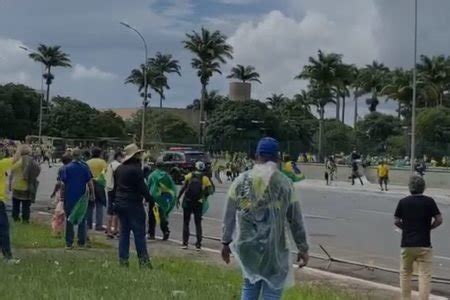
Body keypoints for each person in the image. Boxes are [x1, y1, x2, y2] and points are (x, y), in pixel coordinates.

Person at [221, 137, 309, 300]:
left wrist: (225, 242)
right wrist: (303, 248)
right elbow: (295, 220)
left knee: (249, 286)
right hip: (274, 249)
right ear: (277, 158)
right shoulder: (285, 184)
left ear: (256, 156)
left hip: (248, 248)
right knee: (272, 291)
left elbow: (229, 214)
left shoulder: (241, 181)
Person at [394, 175, 443, 300]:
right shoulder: (429, 201)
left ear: (410, 188)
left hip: (407, 244)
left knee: (405, 273)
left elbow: (396, 220)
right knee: (424, 275)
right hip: (424, 244)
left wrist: (405, 228)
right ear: (424, 188)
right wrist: (429, 227)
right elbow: (439, 219)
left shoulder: (403, 202)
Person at [114, 144, 153, 267]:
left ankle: (123, 261)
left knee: (124, 233)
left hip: (120, 203)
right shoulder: (136, 170)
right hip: (133, 204)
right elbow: (143, 188)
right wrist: (151, 200)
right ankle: (144, 261)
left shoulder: (119, 169)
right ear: (135, 156)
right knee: (139, 233)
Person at [59, 149, 94, 249]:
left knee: (69, 219)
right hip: (81, 197)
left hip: (69, 196)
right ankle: (81, 242)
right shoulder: (84, 168)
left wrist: (61, 197)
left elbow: (62, 184)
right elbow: (90, 183)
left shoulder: (66, 168)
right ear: (81, 156)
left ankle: (69, 243)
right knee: (82, 218)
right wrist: (92, 194)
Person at [177, 161, 213, 250]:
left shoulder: (190, 175)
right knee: (198, 223)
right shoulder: (205, 178)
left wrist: (178, 197)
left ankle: (185, 243)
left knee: (186, 222)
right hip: (198, 202)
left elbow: (184, 187)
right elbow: (209, 191)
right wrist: (203, 197)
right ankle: (198, 244)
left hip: (188, 201)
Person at [11, 145, 41, 224]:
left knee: (15, 203)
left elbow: (11, 172)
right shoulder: (30, 160)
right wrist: (32, 177)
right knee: (26, 204)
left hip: (15, 184)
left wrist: (10, 183)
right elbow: (37, 169)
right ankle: (25, 219)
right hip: (25, 185)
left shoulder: (15, 159)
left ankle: (15, 217)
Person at [147, 162, 176, 241]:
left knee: (152, 216)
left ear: (156, 166)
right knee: (162, 215)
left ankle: (151, 234)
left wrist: (146, 198)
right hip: (163, 198)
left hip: (154, 197)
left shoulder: (152, 175)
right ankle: (165, 230)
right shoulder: (167, 176)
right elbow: (172, 186)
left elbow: (148, 185)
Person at [0, 148, 19, 262]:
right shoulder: (1, 164)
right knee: (3, 229)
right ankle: (7, 256)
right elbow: (17, 159)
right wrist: (20, 147)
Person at [50, 153, 72, 237]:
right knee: (66, 213)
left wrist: (53, 192)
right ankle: (63, 230)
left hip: (60, 193)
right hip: (69, 192)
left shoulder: (62, 169)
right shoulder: (71, 168)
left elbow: (58, 183)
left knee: (59, 213)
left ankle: (57, 230)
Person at [86, 147, 107, 231]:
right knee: (99, 205)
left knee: (89, 205)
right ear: (100, 154)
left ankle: (88, 224)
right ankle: (99, 225)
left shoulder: (87, 162)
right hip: (99, 184)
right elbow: (106, 172)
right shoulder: (102, 162)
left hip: (89, 183)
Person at [105, 151, 123, 239]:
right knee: (118, 211)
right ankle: (117, 230)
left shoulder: (110, 165)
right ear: (119, 157)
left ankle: (109, 230)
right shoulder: (119, 166)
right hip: (117, 189)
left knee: (110, 210)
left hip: (110, 189)